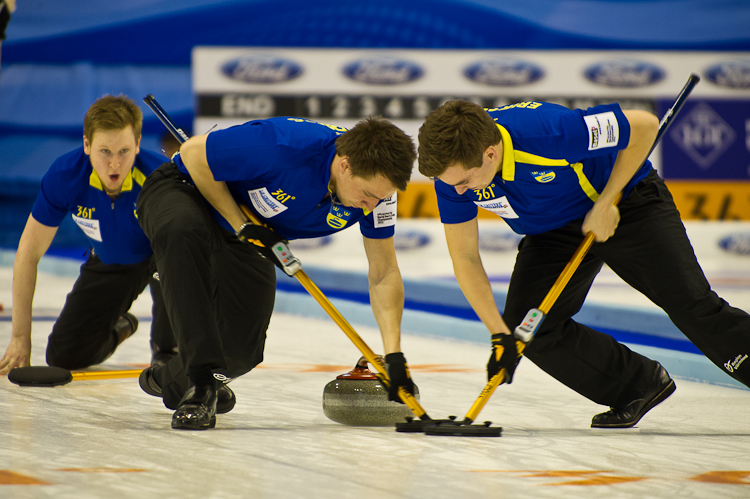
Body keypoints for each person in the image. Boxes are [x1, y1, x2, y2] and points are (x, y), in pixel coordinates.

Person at [417, 99, 750, 428]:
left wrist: (606, 202)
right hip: (552, 231)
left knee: (691, 304)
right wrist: (498, 334)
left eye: (464, 181)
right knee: (527, 330)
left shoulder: (550, 133)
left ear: (490, 153)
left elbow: (644, 126)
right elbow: (465, 256)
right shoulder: (452, 179)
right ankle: (638, 384)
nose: (458, 190)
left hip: (626, 203)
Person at [136, 115, 418, 430]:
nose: (370, 207)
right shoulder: (283, 143)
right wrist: (240, 224)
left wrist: (394, 354)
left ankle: (168, 378)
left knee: (243, 350)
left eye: (381, 198)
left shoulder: (377, 194)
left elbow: (383, 272)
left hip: (253, 227)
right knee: (182, 230)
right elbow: (193, 153)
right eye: (367, 196)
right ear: (344, 165)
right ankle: (201, 385)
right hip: (189, 190)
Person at [0, 95, 177, 377]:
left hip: (162, 256)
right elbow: (28, 253)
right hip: (111, 259)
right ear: (86, 145)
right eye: (104, 151)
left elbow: (196, 244)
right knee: (64, 356)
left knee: (175, 258)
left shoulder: (161, 176)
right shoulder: (64, 176)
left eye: (124, 151)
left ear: (138, 145)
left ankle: (169, 349)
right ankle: (121, 324)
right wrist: (20, 339)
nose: (115, 164)